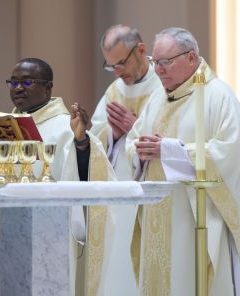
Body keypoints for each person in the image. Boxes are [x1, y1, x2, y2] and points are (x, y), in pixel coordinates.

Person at [126, 27, 240, 295]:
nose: (158, 71)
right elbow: (134, 141)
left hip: (194, 218)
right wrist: (139, 151)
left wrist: (172, 151)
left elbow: (229, 154)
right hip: (157, 213)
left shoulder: (218, 96)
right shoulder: (157, 98)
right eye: (155, 62)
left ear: (190, 58)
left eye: (166, 62)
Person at [7, 57, 116, 295]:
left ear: (48, 87)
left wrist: (81, 143)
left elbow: (87, 176)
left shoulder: (64, 126)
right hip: (8, 228)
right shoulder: (4, 128)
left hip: (49, 234)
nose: (18, 89)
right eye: (13, 83)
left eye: (26, 83)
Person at [87, 25, 162, 295]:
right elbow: (96, 136)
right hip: (120, 193)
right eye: (111, 67)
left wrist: (136, 128)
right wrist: (113, 135)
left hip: (154, 191)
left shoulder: (164, 84)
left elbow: (177, 133)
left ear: (141, 50)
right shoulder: (114, 91)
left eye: (121, 63)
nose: (118, 73)